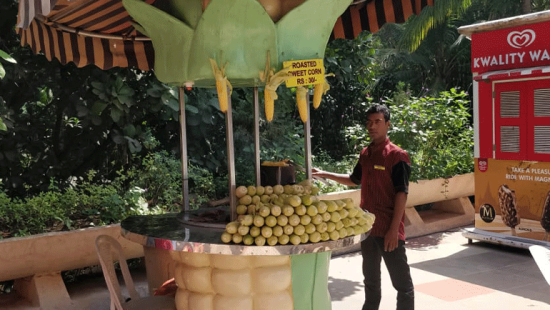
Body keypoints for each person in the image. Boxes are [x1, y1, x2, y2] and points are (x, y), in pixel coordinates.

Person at [312, 103, 414, 310]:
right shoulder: (366, 153)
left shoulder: (397, 156)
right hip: (366, 229)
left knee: (402, 286)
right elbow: (353, 179)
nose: (372, 126)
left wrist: (394, 230)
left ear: (387, 124)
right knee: (371, 282)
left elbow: (401, 193)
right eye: (369, 122)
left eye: (377, 122)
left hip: (388, 230)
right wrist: (324, 173)